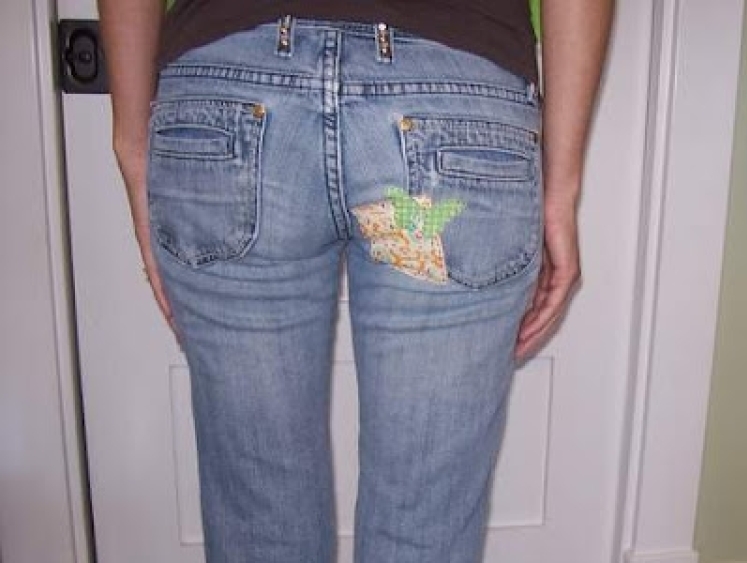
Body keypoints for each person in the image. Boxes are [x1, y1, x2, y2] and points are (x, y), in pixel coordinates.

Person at [98, 1, 612, 561]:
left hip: (227, 104)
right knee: (423, 530)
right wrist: (561, 190)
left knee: (260, 526)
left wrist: (132, 144)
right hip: (454, 108)